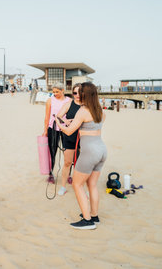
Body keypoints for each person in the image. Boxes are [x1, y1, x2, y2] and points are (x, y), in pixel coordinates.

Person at [55, 82, 107, 230]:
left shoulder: (83, 111)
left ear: (85, 95)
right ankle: (94, 215)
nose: (77, 95)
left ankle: (87, 220)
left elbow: (69, 131)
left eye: (80, 92)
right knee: (92, 185)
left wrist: (59, 123)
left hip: (90, 152)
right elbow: (90, 126)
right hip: (102, 150)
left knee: (77, 184)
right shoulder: (100, 111)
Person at [56, 83, 82, 196]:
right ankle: (63, 186)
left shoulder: (87, 105)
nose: (77, 95)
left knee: (81, 164)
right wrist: (65, 121)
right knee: (67, 162)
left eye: (80, 92)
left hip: (83, 138)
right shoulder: (69, 104)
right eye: (75, 93)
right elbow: (58, 116)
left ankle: (80, 187)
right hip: (69, 136)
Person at [42, 83, 71, 183]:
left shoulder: (69, 100)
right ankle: (51, 174)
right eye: (53, 92)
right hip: (52, 128)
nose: (55, 93)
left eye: (57, 92)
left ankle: (68, 175)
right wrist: (45, 130)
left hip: (66, 129)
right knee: (52, 152)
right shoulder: (50, 100)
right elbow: (47, 117)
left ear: (62, 90)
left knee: (67, 153)